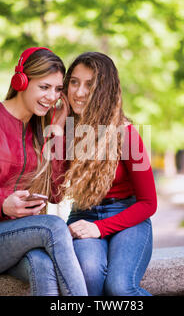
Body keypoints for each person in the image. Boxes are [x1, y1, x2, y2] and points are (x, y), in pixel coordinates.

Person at [0, 47, 87, 296]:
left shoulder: (42, 128)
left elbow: (55, 194)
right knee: (54, 226)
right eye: (44, 87)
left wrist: (59, 130)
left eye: (57, 89)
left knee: (42, 266)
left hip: (21, 238)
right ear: (21, 81)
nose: (52, 96)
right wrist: (1, 205)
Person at [58, 52, 157, 295]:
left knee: (120, 287)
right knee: (89, 278)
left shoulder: (127, 134)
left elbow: (149, 203)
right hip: (83, 214)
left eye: (89, 84)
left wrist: (100, 228)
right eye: (74, 82)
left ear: (104, 89)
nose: (79, 92)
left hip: (128, 215)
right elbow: (51, 190)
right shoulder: (61, 130)